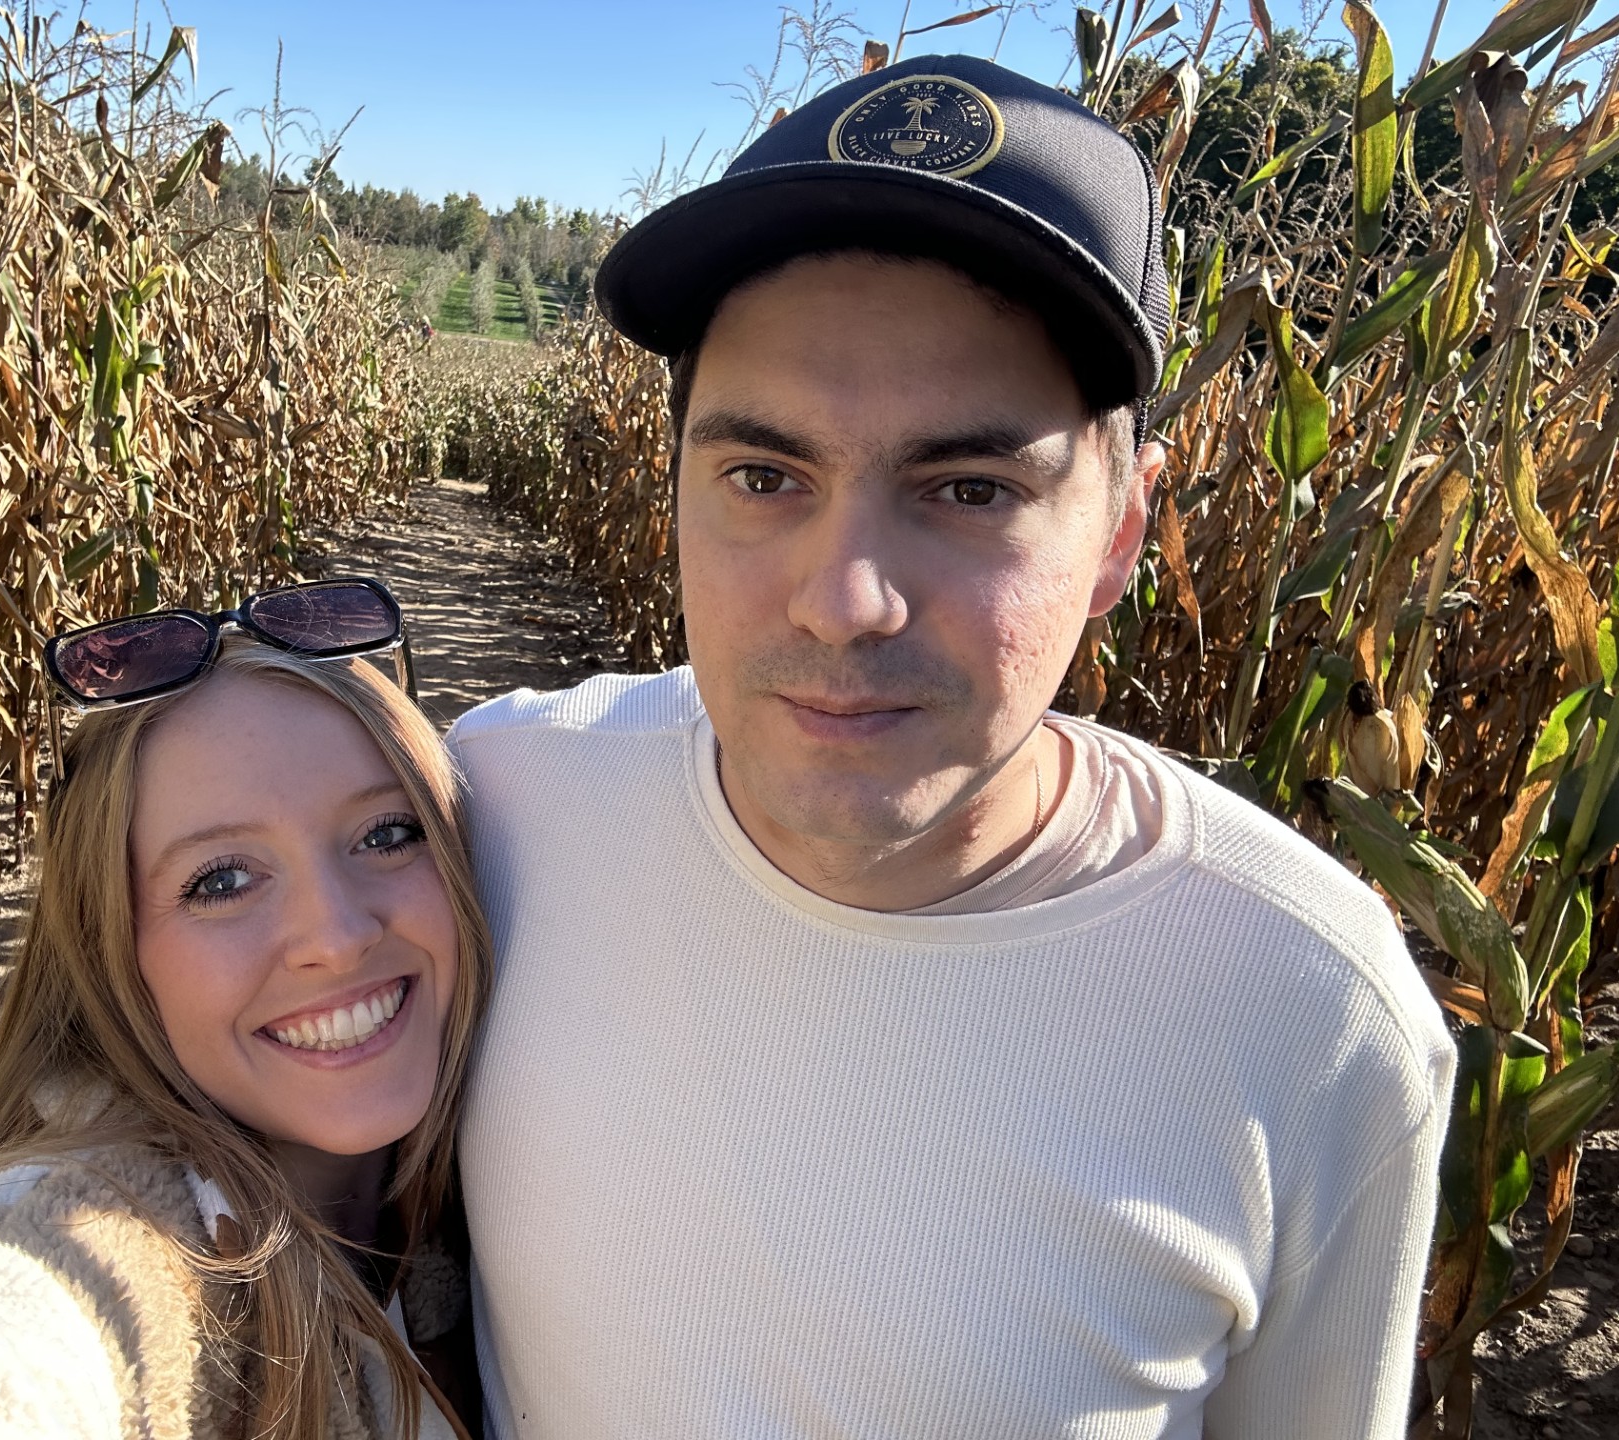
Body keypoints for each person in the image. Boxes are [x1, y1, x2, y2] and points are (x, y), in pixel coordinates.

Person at [449, 54, 1456, 1439]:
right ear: (672, 486)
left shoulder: (1316, 1012)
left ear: (1119, 535)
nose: (844, 599)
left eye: (970, 489)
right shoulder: (501, 811)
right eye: (763, 476)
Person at [0, 586, 488, 1440]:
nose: (335, 937)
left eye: (386, 834)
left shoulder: (493, 1164)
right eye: (222, 880)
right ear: (111, 948)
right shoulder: (117, 1233)